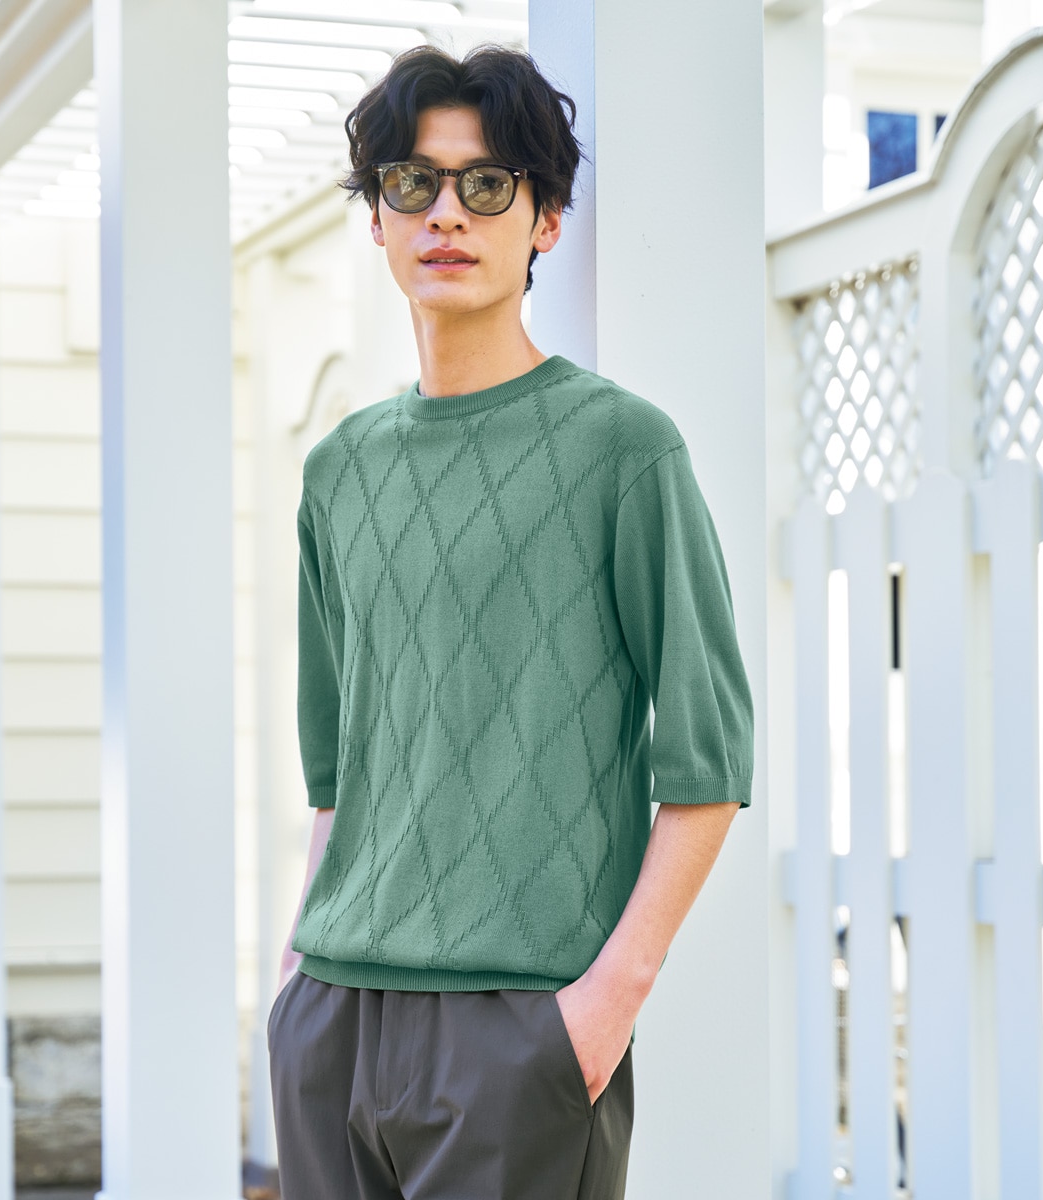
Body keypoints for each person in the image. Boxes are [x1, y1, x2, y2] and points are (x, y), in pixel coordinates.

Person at [266, 41, 754, 1200]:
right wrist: (294, 983)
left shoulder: (624, 450)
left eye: (487, 184)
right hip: (333, 1020)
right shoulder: (339, 470)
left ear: (546, 220)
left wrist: (604, 1007)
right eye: (413, 183)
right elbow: (340, 779)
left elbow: (709, 766)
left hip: (521, 1030)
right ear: (378, 219)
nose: (447, 213)